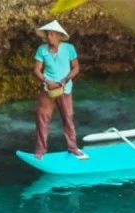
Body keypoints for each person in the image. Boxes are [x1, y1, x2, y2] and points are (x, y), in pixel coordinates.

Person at [32, 20, 88, 160]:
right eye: (47, 34)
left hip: (65, 89)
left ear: (59, 35)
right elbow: (37, 70)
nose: (49, 36)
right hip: (47, 89)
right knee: (42, 118)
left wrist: (65, 80)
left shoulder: (69, 48)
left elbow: (76, 67)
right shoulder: (42, 50)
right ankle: (40, 150)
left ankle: (72, 147)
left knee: (68, 118)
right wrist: (47, 81)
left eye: (51, 34)